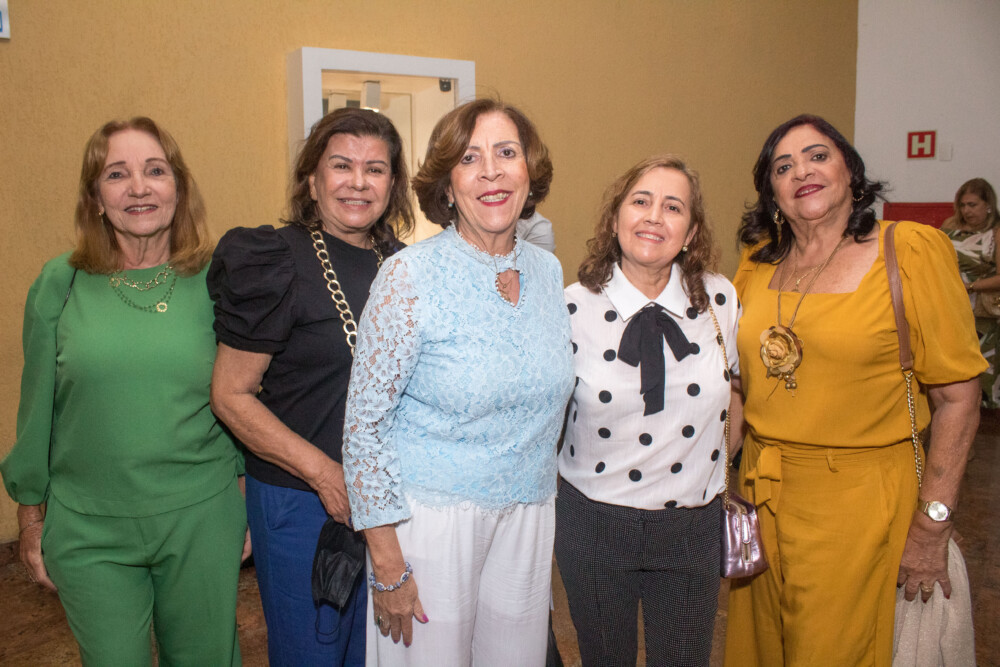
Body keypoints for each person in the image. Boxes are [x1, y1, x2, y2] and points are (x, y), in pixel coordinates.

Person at [724, 114, 985, 666]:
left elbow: (958, 398)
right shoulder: (756, 264)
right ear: (772, 193)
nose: (802, 172)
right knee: (762, 652)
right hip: (761, 496)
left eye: (818, 156)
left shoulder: (909, 250)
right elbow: (739, 387)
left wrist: (933, 524)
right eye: (783, 167)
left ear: (852, 173)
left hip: (861, 504)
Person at [0, 117, 246, 665]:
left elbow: (244, 394)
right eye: (117, 174)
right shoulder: (59, 283)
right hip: (88, 528)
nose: (139, 188)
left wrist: (245, 497)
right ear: (95, 197)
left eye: (155, 171)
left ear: (178, 188)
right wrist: (30, 516)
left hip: (201, 518)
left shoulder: (219, 279)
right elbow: (36, 408)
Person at [341, 98, 574, 666]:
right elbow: (364, 428)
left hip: (528, 517)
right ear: (447, 186)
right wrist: (387, 562)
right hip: (431, 526)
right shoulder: (408, 276)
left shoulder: (548, 272)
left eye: (507, 153)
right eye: (469, 158)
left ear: (529, 172)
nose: (491, 172)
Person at [208, 107, 413, 666]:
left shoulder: (404, 265)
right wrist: (326, 476)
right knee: (313, 652)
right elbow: (230, 395)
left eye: (375, 169)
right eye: (341, 165)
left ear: (392, 184)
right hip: (302, 501)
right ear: (312, 179)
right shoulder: (275, 259)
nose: (358, 182)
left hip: (389, 502)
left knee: (379, 652)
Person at [556, 155, 738, 666]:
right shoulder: (569, 307)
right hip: (593, 524)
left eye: (673, 207)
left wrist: (713, 466)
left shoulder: (721, 299)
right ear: (616, 218)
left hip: (692, 528)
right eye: (641, 201)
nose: (655, 216)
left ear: (691, 231)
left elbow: (737, 393)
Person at [941, 178, 1000, 408]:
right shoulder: (950, 225)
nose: (966, 211)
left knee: (984, 365)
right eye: (963, 205)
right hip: (950, 304)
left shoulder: (996, 233)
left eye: (972, 205)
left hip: (983, 309)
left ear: (988, 205)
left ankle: (986, 412)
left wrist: (969, 287)